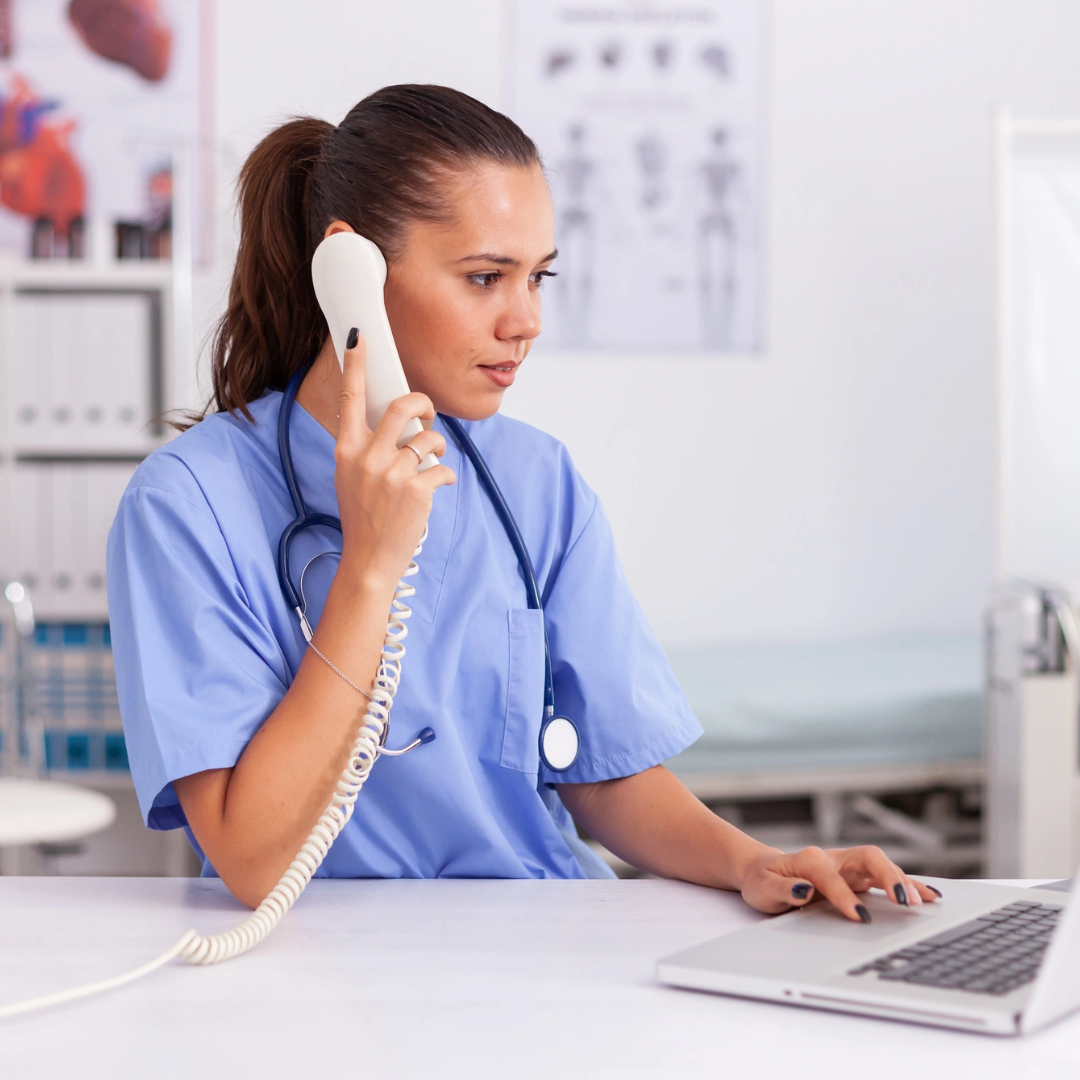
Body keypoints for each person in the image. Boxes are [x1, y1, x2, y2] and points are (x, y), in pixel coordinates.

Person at [108, 84, 940, 920]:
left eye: (538, 277)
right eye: (484, 278)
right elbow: (253, 859)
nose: (527, 320)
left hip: (545, 941)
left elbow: (604, 775)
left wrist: (755, 862)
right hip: (324, 971)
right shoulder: (187, 506)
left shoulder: (537, 482)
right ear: (350, 270)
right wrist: (369, 569)